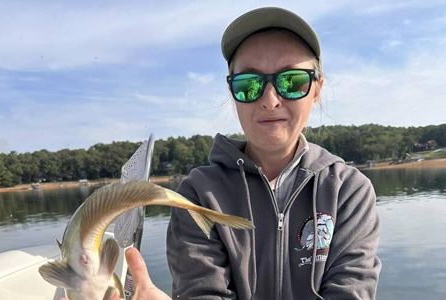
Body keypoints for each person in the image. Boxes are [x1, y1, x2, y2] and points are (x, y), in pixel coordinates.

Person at [62, 6, 381, 300]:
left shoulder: (347, 192)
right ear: (233, 92)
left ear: (316, 90)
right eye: (249, 84)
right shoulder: (199, 196)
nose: (270, 99)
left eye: (292, 81)